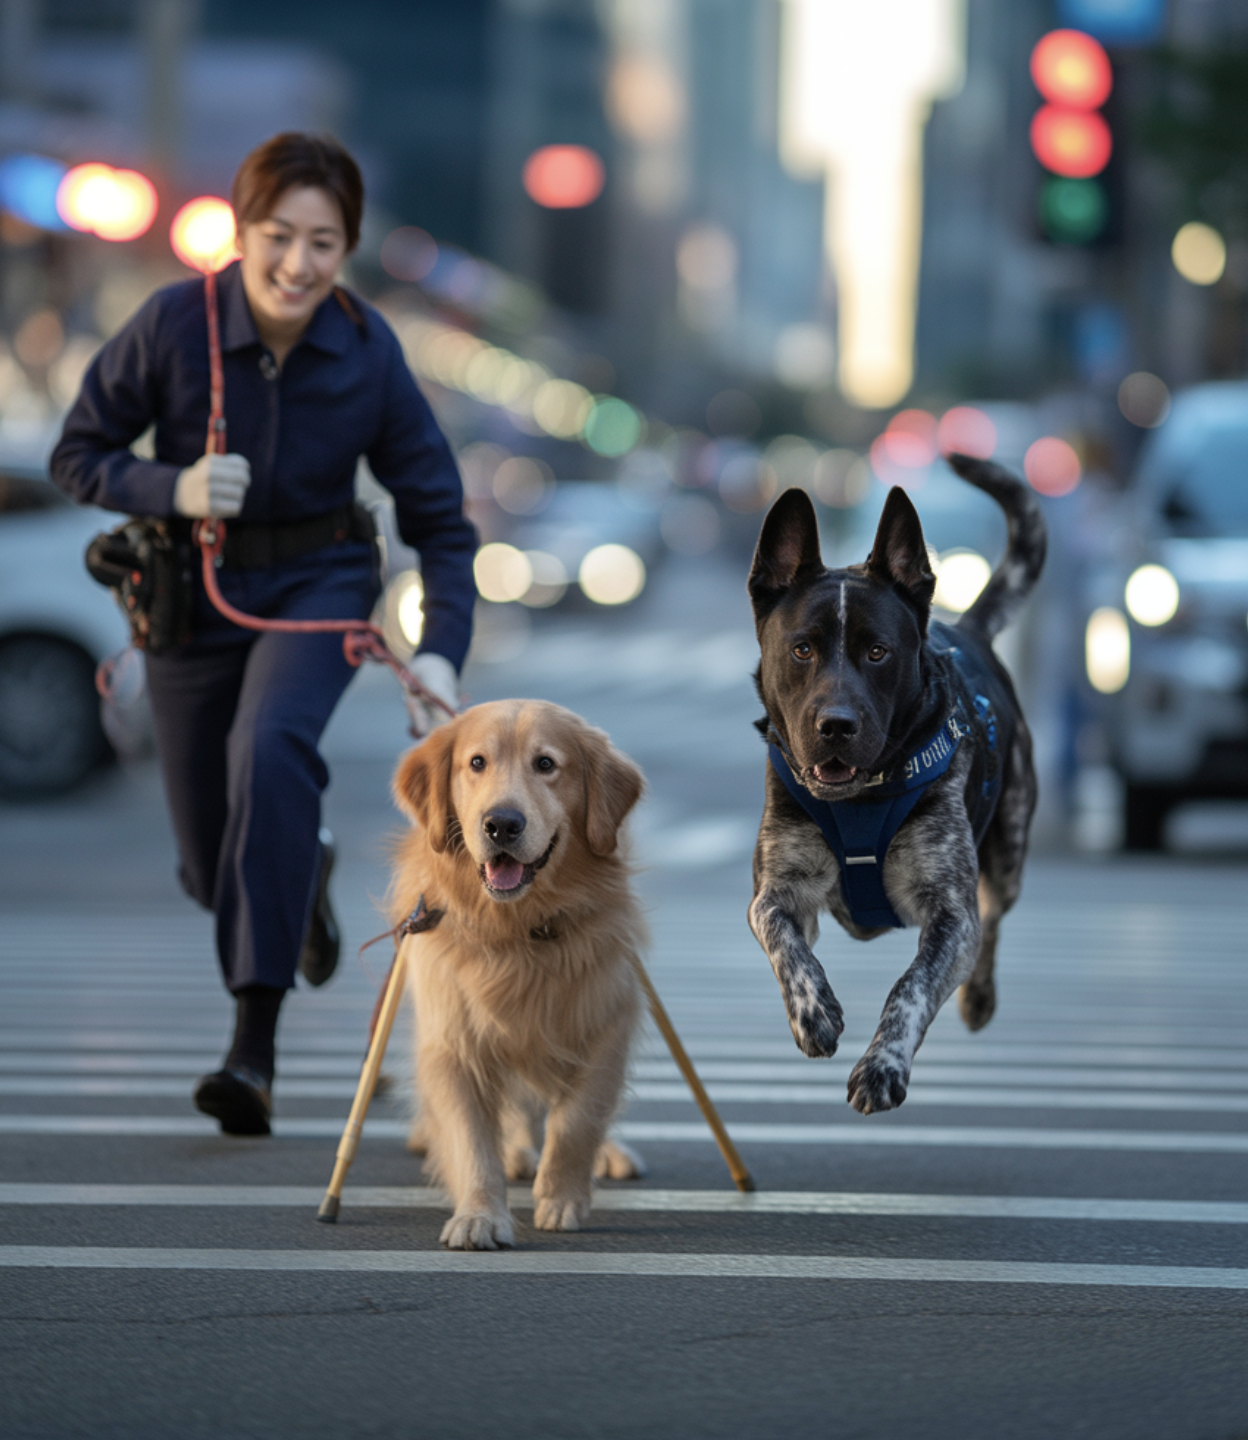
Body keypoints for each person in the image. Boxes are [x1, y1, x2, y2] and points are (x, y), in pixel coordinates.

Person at [51, 132, 477, 1137]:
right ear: (241, 232)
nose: (297, 263)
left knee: (272, 745)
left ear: (348, 249)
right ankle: (305, 864)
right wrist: (171, 485)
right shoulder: (169, 325)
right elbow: (79, 454)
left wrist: (442, 647)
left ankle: (253, 1052)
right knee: (212, 862)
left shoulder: (370, 352)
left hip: (322, 585)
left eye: (322, 242)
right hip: (191, 595)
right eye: (278, 235)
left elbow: (442, 523)